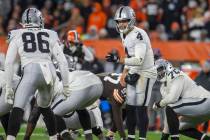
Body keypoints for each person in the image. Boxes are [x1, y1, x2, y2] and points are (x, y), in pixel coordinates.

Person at [5, 8, 69, 140]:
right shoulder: (50, 34)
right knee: (45, 107)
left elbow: (9, 63)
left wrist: (8, 87)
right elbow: (62, 62)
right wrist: (66, 85)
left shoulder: (17, 34)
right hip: (49, 72)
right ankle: (53, 138)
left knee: (18, 107)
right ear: (39, 20)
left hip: (30, 70)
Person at [106, 6, 157, 140]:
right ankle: (130, 137)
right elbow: (129, 55)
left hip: (146, 72)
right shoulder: (124, 34)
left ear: (132, 20)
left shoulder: (138, 34)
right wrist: (124, 73)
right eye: (118, 21)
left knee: (140, 106)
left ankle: (142, 138)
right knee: (129, 106)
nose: (121, 24)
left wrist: (118, 59)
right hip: (134, 71)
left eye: (124, 20)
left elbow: (139, 59)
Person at [153, 59, 210, 140]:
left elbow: (172, 99)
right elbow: (169, 118)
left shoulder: (175, 74)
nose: (158, 72)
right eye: (156, 70)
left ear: (167, 67)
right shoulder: (163, 88)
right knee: (179, 126)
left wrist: (158, 104)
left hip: (204, 101)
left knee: (171, 108)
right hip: (199, 106)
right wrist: (164, 137)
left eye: (160, 69)